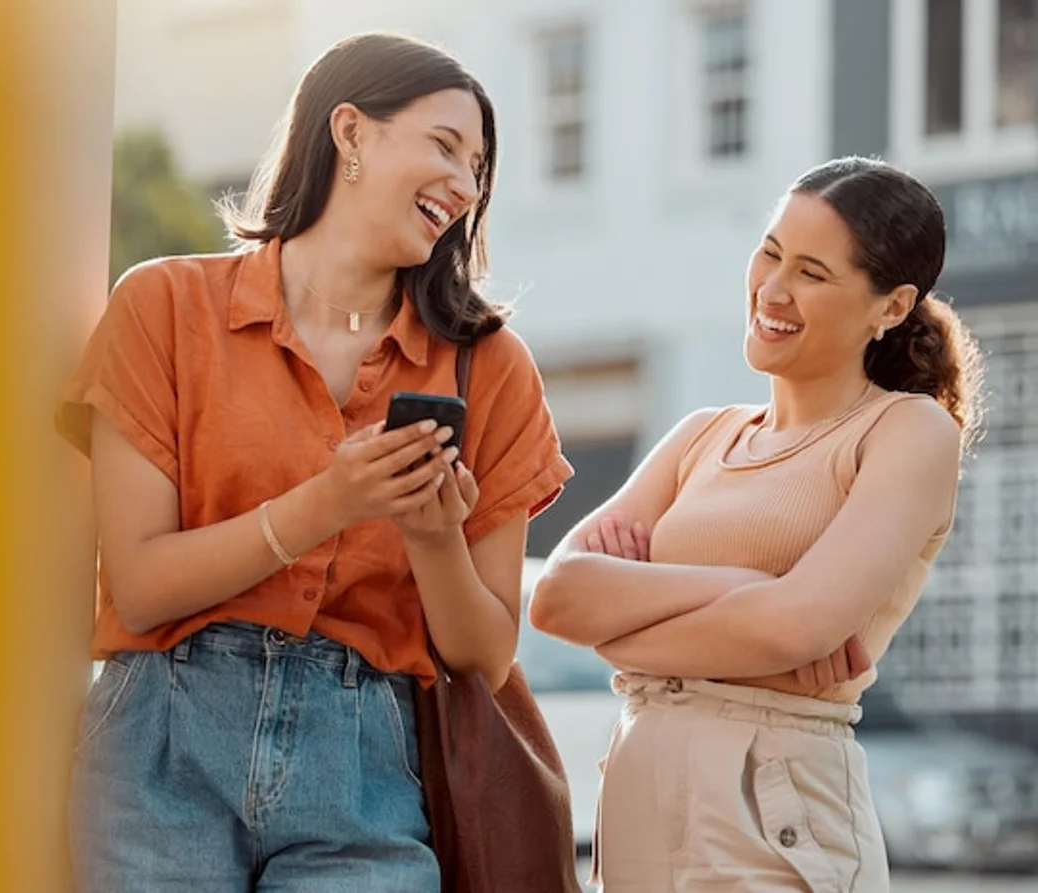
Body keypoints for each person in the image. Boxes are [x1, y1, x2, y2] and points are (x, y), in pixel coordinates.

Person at [56, 32, 572, 893]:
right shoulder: (164, 305)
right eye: (445, 146)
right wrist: (330, 501)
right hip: (160, 750)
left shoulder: (490, 366)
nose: (465, 184)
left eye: (479, 167)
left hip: (364, 768)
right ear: (351, 133)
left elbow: (485, 653)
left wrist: (433, 537)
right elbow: (141, 583)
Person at [531, 156, 984, 892]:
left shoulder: (907, 430)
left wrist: (626, 624)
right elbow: (556, 598)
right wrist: (743, 586)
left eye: (812, 272)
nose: (773, 289)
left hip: (775, 803)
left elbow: (793, 628)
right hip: (641, 786)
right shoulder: (700, 435)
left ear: (891, 306)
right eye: (771, 252)